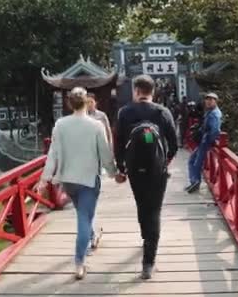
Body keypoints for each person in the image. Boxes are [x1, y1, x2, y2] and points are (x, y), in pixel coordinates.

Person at [35, 87, 120, 280]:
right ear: (86, 102)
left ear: (69, 103)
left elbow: (53, 154)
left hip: (68, 181)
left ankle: (92, 237)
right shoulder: (96, 125)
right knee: (84, 217)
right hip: (89, 180)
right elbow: (105, 154)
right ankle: (79, 262)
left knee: (83, 212)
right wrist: (114, 173)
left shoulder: (60, 124)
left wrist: (44, 178)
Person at [115, 75, 178, 279]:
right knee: (155, 210)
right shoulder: (163, 112)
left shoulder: (125, 112)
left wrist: (121, 168)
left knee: (142, 205)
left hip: (135, 169)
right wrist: (165, 161)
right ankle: (148, 261)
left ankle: (145, 238)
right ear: (153, 91)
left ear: (136, 91)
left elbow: (118, 144)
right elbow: (174, 144)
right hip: (156, 170)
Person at [185, 92, 222, 193]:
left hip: (206, 141)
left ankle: (196, 181)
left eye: (211, 100)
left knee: (196, 162)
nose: (208, 102)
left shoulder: (215, 114)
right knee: (192, 160)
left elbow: (215, 130)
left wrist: (209, 141)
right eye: (207, 99)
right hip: (204, 140)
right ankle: (194, 181)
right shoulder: (209, 112)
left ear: (216, 101)